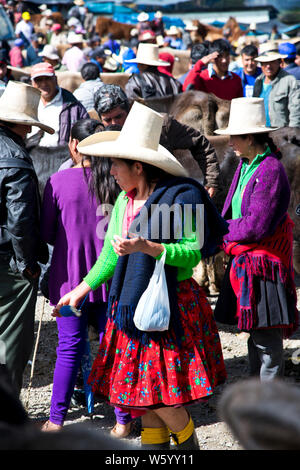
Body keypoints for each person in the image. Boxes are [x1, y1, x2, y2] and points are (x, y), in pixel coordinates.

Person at [53, 101, 228, 449]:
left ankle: (189, 448)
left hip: (169, 308)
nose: (111, 172)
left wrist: (150, 247)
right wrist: (80, 290)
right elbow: (110, 256)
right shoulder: (122, 201)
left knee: (163, 397)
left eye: (116, 164)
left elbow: (191, 253)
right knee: (143, 397)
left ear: (138, 165)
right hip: (132, 306)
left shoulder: (182, 197)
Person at [40, 119, 121, 431]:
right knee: (114, 346)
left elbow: (48, 234)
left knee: (68, 349)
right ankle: (124, 419)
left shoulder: (57, 183)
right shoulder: (117, 181)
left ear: (74, 145)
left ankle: (56, 420)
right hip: (110, 278)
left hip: (68, 280)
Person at [214, 97, 298, 381]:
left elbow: (255, 225)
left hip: (263, 264)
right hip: (248, 259)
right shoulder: (247, 164)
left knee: (266, 340)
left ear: (250, 138)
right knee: (256, 333)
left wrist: (221, 231)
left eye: (234, 137)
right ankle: (256, 394)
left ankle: (268, 401)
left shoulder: (269, 170)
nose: (230, 143)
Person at [0, 81, 53, 395]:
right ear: (22, 124)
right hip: (7, 259)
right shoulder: (16, 158)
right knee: (11, 339)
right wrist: (28, 263)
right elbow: (19, 220)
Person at [94, 84, 220, 198]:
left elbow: (199, 143)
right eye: (107, 120)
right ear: (100, 119)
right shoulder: (100, 141)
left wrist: (211, 179)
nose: (114, 123)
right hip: (124, 203)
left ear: (128, 110)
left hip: (165, 199)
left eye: (118, 116)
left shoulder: (158, 125)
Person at [29, 61, 88, 147]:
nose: (44, 84)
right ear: (33, 83)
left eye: (47, 78)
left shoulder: (72, 105)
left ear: (55, 80)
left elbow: (85, 133)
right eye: (39, 80)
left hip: (61, 157)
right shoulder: (27, 102)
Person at [253, 49, 300, 128]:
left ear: (279, 62)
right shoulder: (258, 81)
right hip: (261, 132)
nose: (268, 66)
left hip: (281, 133)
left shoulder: (290, 81)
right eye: (265, 63)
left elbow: (296, 111)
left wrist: (292, 132)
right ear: (261, 65)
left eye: (272, 62)